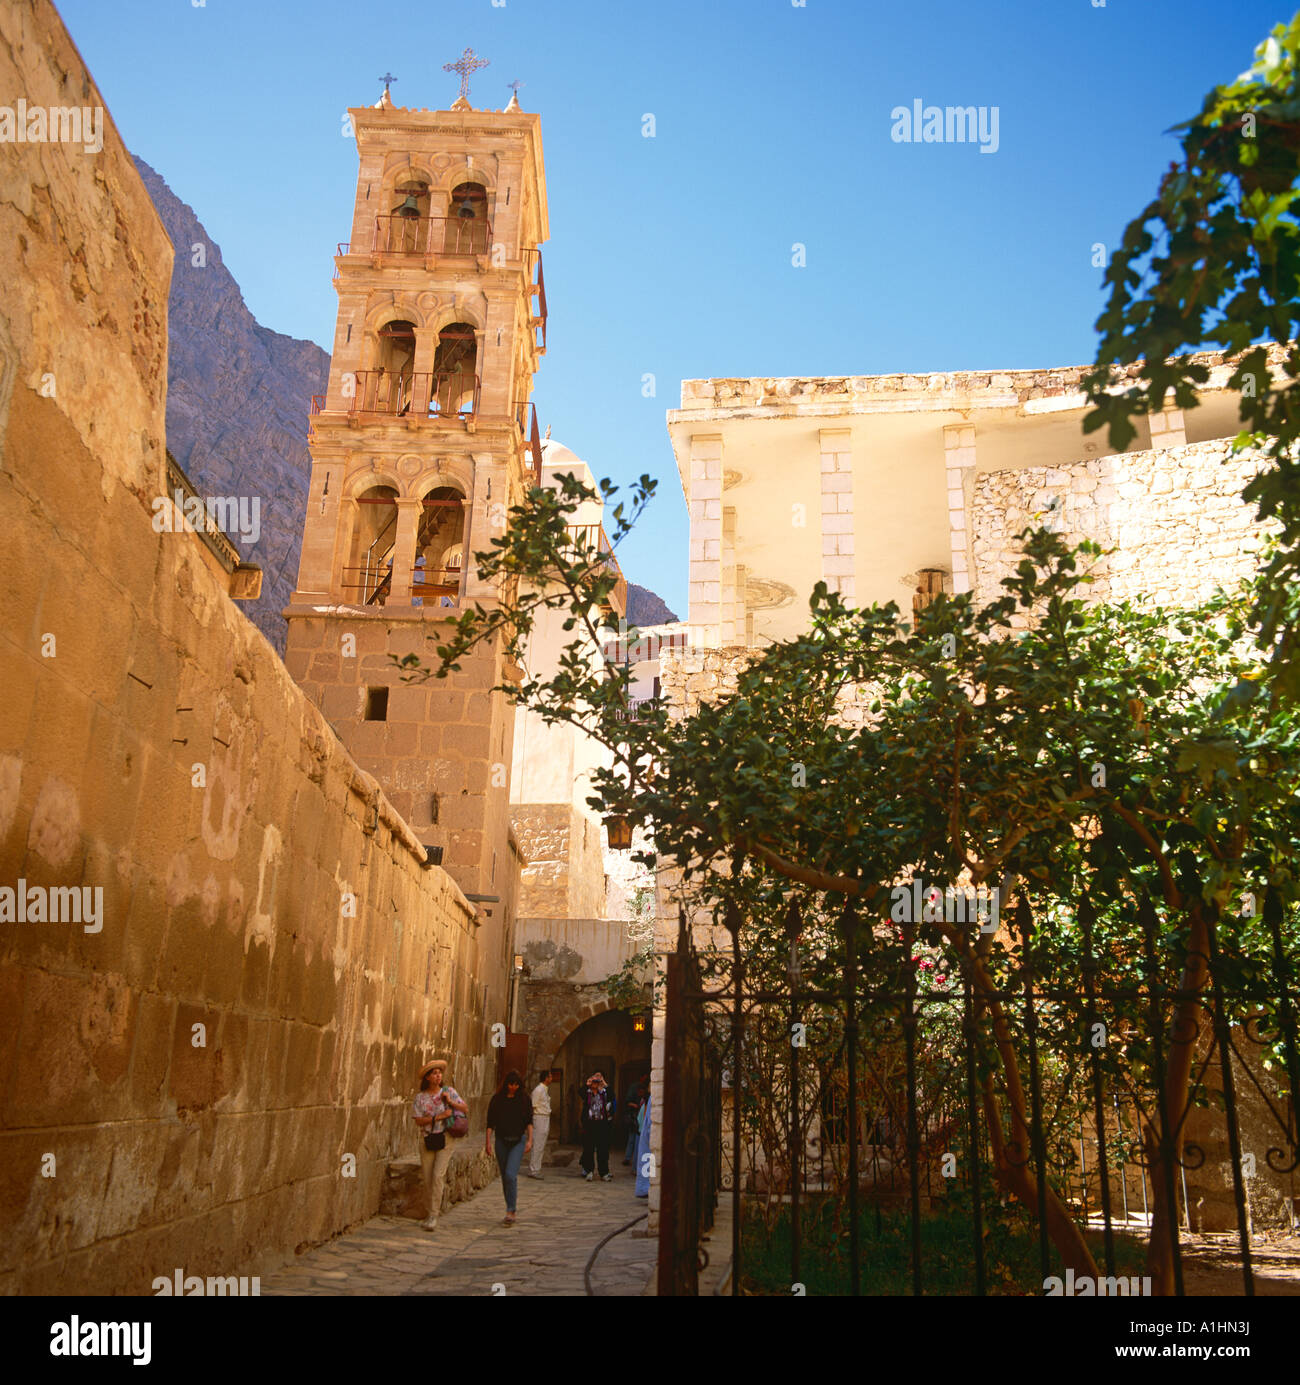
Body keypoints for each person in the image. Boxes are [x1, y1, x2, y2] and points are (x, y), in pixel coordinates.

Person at [411, 1058, 468, 1232]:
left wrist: (449, 1101)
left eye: (439, 1073)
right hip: (428, 1139)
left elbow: (464, 1108)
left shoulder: (448, 1091)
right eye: (434, 1073)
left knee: (437, 1176)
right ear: (427, 1077)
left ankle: (434, 1215)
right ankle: (430, 1211)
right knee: (428, 1178)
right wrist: (438, 1117)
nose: (438, 1076)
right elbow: (418, 1120)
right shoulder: (420, 1098)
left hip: (445, 1139)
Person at [486, 1068, 533, 1225]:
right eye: (511, 1084)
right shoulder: (497, 1100)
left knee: (511, 1175)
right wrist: (487, 1142)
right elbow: (490, 1123)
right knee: (505, 1177)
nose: (513, 1087)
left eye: (516, 1085)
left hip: (517, 1141)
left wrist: (530, 1140)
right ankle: (509, 1205)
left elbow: (529, 1122)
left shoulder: (524, 1100)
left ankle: (511, 1210)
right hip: (501, 1140)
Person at [579, 1071, 616, 1182]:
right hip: (590, 1124)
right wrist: (588, 1083)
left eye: (598, 1079)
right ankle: (589, 1171)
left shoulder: (604, 1092)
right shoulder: (587, 1092)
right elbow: (580, 1092)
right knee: (589, 1149)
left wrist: (603, 1083)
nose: (596, 1082)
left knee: (602, 1149)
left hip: (602, 1124)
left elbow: (612, 1095)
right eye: (594, 1078)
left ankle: (604, 1172)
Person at [527, 1069, 554, 1179]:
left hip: (545, 1117)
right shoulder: (538, 1090)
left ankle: (537, 1168)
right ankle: (533, 1169)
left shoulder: (545, 1090)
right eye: (550, 1076)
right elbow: (533, 1106)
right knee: (537, 1144)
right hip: (539, 1117)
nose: (551, 1079)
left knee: (541, 1144)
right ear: (546, 1078)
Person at [634, 1080, 653, 1199]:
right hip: (648, 1133)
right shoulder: (651, 1100)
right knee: (648, 1160)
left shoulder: (651, 1099)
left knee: (648, 1160)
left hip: (647, 1133)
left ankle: (645, 1187)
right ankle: (644, 1188)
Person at [622, 1079, 642, 1165]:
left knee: (633, 1139)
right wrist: (637, 1106)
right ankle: (629, 1158)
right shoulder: (634, 1088)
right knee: (633, 1138)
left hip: (637, 1118)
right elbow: (628, 1102)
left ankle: (630, 1158)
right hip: (634, 1117)